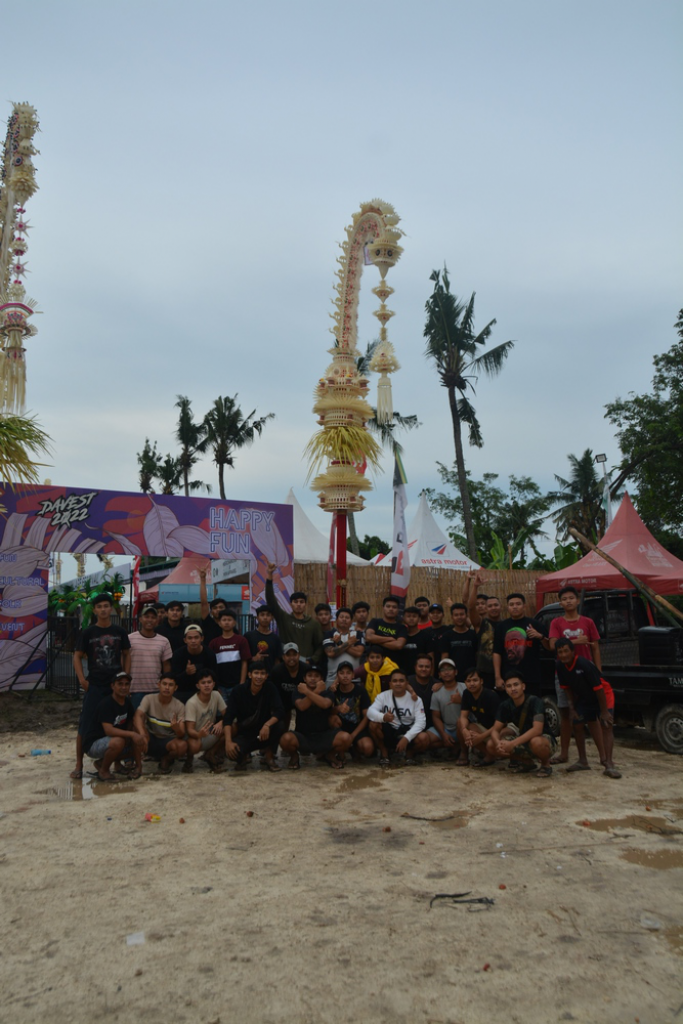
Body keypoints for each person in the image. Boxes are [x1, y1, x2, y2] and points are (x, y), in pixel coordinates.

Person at [71, 592, 131, 780]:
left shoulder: (120, 631)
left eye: (106, 606)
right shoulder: (88, 632)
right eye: (99, 607)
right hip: (95, 685)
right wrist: (82, 680)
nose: (103, 609)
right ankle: (79, 765)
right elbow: (76, 656)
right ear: (95, 610)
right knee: (85, 724)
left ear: (111, 608)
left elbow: (127, 653)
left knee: (119, 722)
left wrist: (125, 677)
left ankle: (117, 763)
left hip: (116, 686)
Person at [548, 586, 602, 766]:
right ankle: (564, 754)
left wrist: (598, 672)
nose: (568, 601)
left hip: (586, 675)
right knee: (566, 714)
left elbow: (595, 648)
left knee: (592, 716)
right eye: (564, 599)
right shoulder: (556, 623)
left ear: (578, 601)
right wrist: (576, 641)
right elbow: (553, 645)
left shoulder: (588, 622)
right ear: (560, 603)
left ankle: (603, 757)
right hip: (563, 675)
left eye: (571, 598)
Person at [555, 639, 621, 778]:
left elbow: (599, 689)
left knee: (606, 724)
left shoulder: (583, 664)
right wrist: (572, 708)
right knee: (577, 723)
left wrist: (604, 712)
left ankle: (608, 763)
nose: (563, 655)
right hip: (585, 697)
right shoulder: (560, 666)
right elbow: (567, 689)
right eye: (560, 652)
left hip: (603, 695)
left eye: (566, 651)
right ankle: (582, 761)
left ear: (573, 651)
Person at [280, 663, 351, 770]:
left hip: (324, 735)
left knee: (346, 738)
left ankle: (330, 755)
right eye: (310, 675)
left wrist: (310, 691)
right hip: (303, 736)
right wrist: (315, 691)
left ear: (321, 679)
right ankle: (294, 756)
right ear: (304, 678)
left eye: (316, 676)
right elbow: (302, 706)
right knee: (285, 739)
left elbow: (325, 704)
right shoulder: (297, 692)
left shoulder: (327, 693)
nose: (313, 678)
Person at [486, 672, 556, 777]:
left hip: (544, 740)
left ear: (523, 686)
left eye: (516, 685)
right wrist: (498, 744)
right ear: (505, 689)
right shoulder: (505, 705)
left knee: (536, 741)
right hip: (523, 740)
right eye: (509, 686)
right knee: (491, 745)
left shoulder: (535, 701)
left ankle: (546, 764)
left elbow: (537, 730)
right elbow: (495, 730)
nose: (513, 689)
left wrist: (512, 744)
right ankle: (527, 763)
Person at [81, 671, 145, 782]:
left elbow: (131, 720)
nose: (124, 687)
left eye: (126, 684)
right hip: (93, 744)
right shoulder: (106, 704)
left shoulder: (127, 702)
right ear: (112, 686)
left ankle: (138, 768)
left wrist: (137, 734)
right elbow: (109, 730)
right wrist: (131, 734)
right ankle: (104, 771)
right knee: (119, 741)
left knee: (141, 741)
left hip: (112, 740)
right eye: (120, 684)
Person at [223, 663, 286, 772]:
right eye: (256, 673)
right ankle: (244, 756)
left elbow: (280, 711)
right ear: (249, 675)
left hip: (264, 733)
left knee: (279, 725)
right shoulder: (238, 690)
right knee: (233, 753)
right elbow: (228, 718)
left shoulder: (270, 688)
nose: (259, 676)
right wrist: (228, 742)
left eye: (262, 673)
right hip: (245, 734)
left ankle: (269, 755)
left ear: (266, 676)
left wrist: (267, 725)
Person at [366, 668, 430, 767]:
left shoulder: (416, 699)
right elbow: (370, 712)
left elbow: (421, 722)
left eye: (401, 681)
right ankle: (384, 755)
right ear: (390, 684)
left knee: (424, 738)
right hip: (389, 731)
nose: (398, 683)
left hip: (408, 732)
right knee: (373, 724)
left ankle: (409, 755)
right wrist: (383, 717)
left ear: (407, 683)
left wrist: (406, 738)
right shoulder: (382, 696)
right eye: (395, 681)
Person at [265, 561, 324, 662]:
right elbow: (271, 601)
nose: (298, 604)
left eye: (301, 602)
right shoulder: (284, 618)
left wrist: (312, 660)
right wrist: (270, 575)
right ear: (291, 604)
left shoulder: (313, 624)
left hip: (306, 665)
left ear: (305, 604)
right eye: (295, 602)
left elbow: (320, 645)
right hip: (287, 663)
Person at [493, 593, 548, 696]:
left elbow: (549, 647)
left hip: (531, 678)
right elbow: (497, 652)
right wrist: (498, 677)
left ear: (524, 606)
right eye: (511, 604)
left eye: (518, 604)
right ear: (507, 607)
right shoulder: (501, 627)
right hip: (509, 678)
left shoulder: (535, 624)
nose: (515, 607)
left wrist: (540, 636)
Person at [134, 674, 188, 774]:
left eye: (170, 685)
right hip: (150, 738)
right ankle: (138, 767)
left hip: (168, 741)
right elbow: (138, 715)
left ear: (175, 688)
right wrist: (142, 733)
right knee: (135, 730)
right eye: (164, 684)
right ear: (159, 685)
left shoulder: (179, 706)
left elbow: (182, 734)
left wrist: (177, 728)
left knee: (182, 746)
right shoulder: (149, 698)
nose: (167, 687)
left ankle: (166, 759)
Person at [128, 606, 172, 707]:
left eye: (153, 617)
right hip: (135, 690)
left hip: (156, 690)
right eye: (147, 616)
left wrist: (166, 685)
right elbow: (124, 661)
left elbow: (166, 665)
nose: (150, 620)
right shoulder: (130, 639)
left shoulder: (164, 641)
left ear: (157, 620)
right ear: (140, 619)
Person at [457, 668, 502, 767]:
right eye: (468, 681)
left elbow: (500, 724)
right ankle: (486, 754)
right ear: (465, 683)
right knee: (461, 724)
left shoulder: (491, 696)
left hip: (497, 730)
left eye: (475, 680)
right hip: (483, 727)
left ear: (481, 681)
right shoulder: (467, 693)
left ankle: (491, 754)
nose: (472, 684)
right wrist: (464, 730)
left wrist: (481, 737)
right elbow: (463, 716)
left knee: (473, 732)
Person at [328, 661, 373, 759]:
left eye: (348, 673)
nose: (345, 676)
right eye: (341, 673)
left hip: (357, 727)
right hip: (340, 727)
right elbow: (327, 713)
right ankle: (341, 752)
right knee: (332, 718)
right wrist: (338, 708)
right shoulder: (333, 691)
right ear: (337, 676)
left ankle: (352, 747)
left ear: (353, 675)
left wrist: (353, 735)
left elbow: (366, 716)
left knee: (368, 749)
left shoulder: (361, 690)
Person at [465, 571, 502, 689]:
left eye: (496, 605)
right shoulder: (481, 624)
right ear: (486, 608)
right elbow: (471, 607)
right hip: (484, 671)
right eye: (490, 606)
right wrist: (475, 586)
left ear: (501, 607)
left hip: (504, 670)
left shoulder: (506, 625)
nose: (493, 608)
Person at [184, 668, 226, 771]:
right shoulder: (192, 703)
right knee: (194, 745)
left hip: (209, 732)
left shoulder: (216, 695)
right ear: (198, 686)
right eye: (203, 683)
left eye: (209, 682)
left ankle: (210, 754)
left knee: (231, 727)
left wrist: (221, 722)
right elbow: (189, 730)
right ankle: (189, 760)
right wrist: (199, 734)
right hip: (196, 736)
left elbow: (228, 714)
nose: (206, 685)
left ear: (213, 684)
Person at [427, 659, 467, 762]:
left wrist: (461, 701)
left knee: (460, 722)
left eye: (449, 669)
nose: (446, 672)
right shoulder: (436, 692)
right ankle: (455, 745)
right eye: (443, 670)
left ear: (456, 672)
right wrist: (443, 735)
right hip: (447, 728)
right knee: (425, 739)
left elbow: (475, 708)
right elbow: (435, 716)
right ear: (439, 674)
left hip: (465, 727)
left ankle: (463, 752)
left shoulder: (465, 687)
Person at [170, 624, 218, 703]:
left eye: (196, 637)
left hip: (204, 690)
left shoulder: (210, 654)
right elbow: (174, 678)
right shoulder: (178, 654)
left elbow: (214, 676)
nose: (193, 641)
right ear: (185, 640)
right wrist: (186, 673)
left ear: (202, 638)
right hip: (183, 691)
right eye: (190, 638)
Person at [208, 609, 251, 695]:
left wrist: (242, 683)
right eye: (224, 620)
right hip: (220, 687)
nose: (227, 622)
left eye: (229, 620)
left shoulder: (241, 640)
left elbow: (244, 662)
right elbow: (211, 665)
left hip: (237, 685)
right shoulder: (214, 643)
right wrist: (215, 685)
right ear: (219, 623)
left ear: (234, 623)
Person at [323, 606, 365, 683]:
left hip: (354, 679)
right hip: (332, 679)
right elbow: (330, 653)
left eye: (347, 617)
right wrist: (348, 643)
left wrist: (339, 643)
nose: (344, 619)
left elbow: (358, 652)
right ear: (336, 620)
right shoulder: (329, 634)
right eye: (341, 617)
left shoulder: (358, 634)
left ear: (351, 621)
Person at [270, 643, 308, 726]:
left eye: (294, 654)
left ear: (299, 655)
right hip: (283, 701)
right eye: (288, 655)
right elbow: (273, 693)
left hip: (302, 701)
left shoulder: (306, 669)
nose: (291, 658)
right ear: (283, 657)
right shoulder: (276, 671)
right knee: (280, 724)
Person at [441, 603, 478, 681]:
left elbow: (477, 656)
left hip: (471, 677)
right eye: (456, 615)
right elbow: (444, 658)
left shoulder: (473, 634)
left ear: (466, 616)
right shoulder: (446, 636)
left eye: (462, 614)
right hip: (453, 677)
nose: (459, 617)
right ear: (452, 617)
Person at [244, 606, 282, 674]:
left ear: (272, 618)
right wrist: (254, 658)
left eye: (268, 615)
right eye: (262, 615)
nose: (265, 618)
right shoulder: (248, 636)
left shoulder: (276, 638)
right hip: (252, 676)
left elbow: (277, 660)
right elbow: (244, 659)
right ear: (257, 617)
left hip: (270, 676)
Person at [407, 654, 440, 730]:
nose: (424, 669)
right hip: (410, 723)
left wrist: (442, 685)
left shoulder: (437, 684)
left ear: (431, 668)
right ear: (415, 667)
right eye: (421, 666)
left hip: (431, 724)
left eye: (427, 667)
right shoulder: (407, 681)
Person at [198, 567, 227, 644]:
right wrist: (203, 579)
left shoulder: (230, 626)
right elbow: (204, 603)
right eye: (215, 608)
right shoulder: (208, 623)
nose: (218, 610)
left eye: (221, 607)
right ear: (211, 611)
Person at [420, 603, 451, 672]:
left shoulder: (449, 630)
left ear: (443, 615)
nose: (435, 615)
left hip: (446, 669)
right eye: (432, 613)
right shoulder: (424, 632)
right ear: (429, 615)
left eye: (438, 613)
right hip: (428, 669)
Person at [398, 606, 426, 677]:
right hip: (401, 675)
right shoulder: (399, 636)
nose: (411, 618)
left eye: (414, 616)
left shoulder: (425, 636)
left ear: (419, 619)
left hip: (420, 675)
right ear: (404, 618)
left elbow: (430, 657)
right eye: (408, 616)